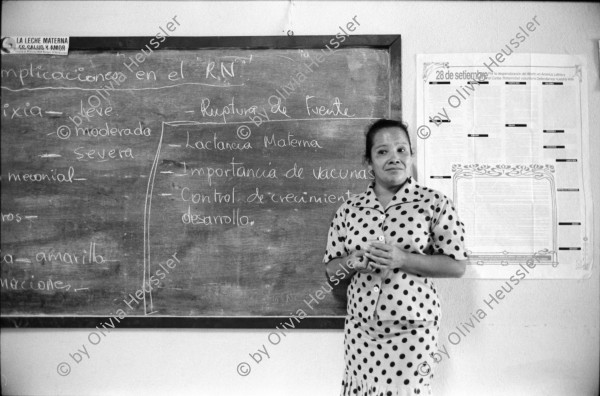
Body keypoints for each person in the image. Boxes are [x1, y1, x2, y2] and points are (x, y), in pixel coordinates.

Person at [323, 119, 468, 396]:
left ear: (411, 156)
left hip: (413, 329)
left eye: (402, 150)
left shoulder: (434, 203)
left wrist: (403, 259)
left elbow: (457, 265)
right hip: (361, 328)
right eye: (383, 152)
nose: (394, 158)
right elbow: (332, 271)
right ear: (368, 161)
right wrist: (353, 262)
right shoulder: (349, 209)